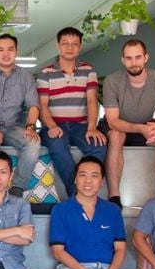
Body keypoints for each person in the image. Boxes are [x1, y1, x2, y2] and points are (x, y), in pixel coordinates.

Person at [99, 39, 155, 207]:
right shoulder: (112, 81)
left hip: (145, 126)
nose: (134, 63)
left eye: (138, 57)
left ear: (146, 58)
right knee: (117, 135)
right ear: (123, 60)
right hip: (118, 126)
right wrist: (140, 128)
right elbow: (113, 121)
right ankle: (114, 197)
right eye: (129, 58)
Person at [37, 27, 106, 197]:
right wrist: (51, 126)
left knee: (99, 145)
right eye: (65, 43)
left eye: (74, 44)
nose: (70, 47)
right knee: (58, 146)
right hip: (54, 125)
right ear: (58, 46)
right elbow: (42, 105)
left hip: (80, 126)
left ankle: (85, 185)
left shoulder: (88, 70)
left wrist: (92, 127)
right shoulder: (46, 73)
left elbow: (92, 101)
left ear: (80, 47)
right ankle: (76, 193)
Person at [0, 34, 40, 197]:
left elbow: (33, 105)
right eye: (1, 49)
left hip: (14, 126)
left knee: (33, 143)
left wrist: (31, 127)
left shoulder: (26, 76)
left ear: (16, 52)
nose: (5, 53)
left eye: (10, 49)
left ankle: (17, 188)